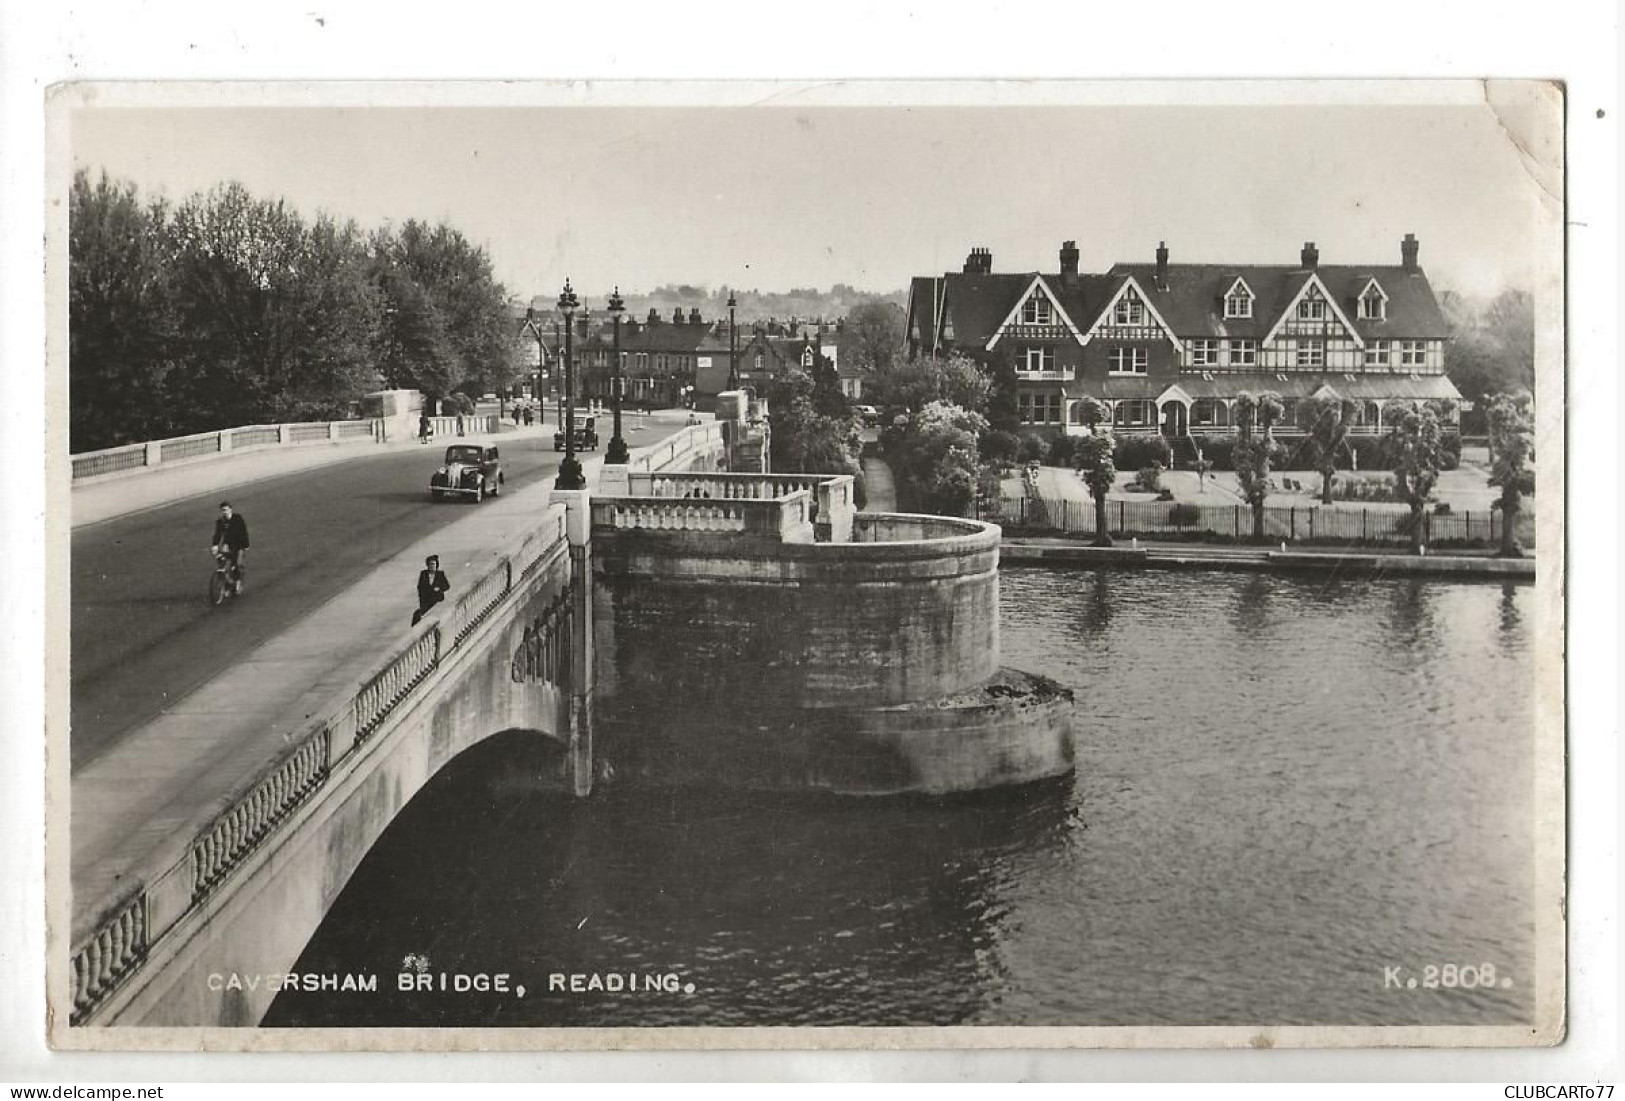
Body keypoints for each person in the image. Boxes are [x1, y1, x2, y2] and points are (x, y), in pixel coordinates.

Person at [210, 501, 250, 594]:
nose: (224, 512)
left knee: (237, 565)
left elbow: (244, 531)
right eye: (222, 510)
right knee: (221, 562)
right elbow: (218, 534)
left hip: (239, 545)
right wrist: (215, 545)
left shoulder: (238, 518)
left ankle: (238, 583)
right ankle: (226, 583)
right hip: (227, 545)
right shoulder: (220, 522)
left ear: (230, 509)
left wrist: (246, 545)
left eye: (226, 510)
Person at [412, 555, 451, 626]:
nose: (432, 566)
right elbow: (420, 587)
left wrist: (439, 588)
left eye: (433, 564)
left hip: (437, 601)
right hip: (426, 601)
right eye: (430, 564)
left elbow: (447, 586)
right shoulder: (423, 574)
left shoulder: (440, 574)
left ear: (436, 565)